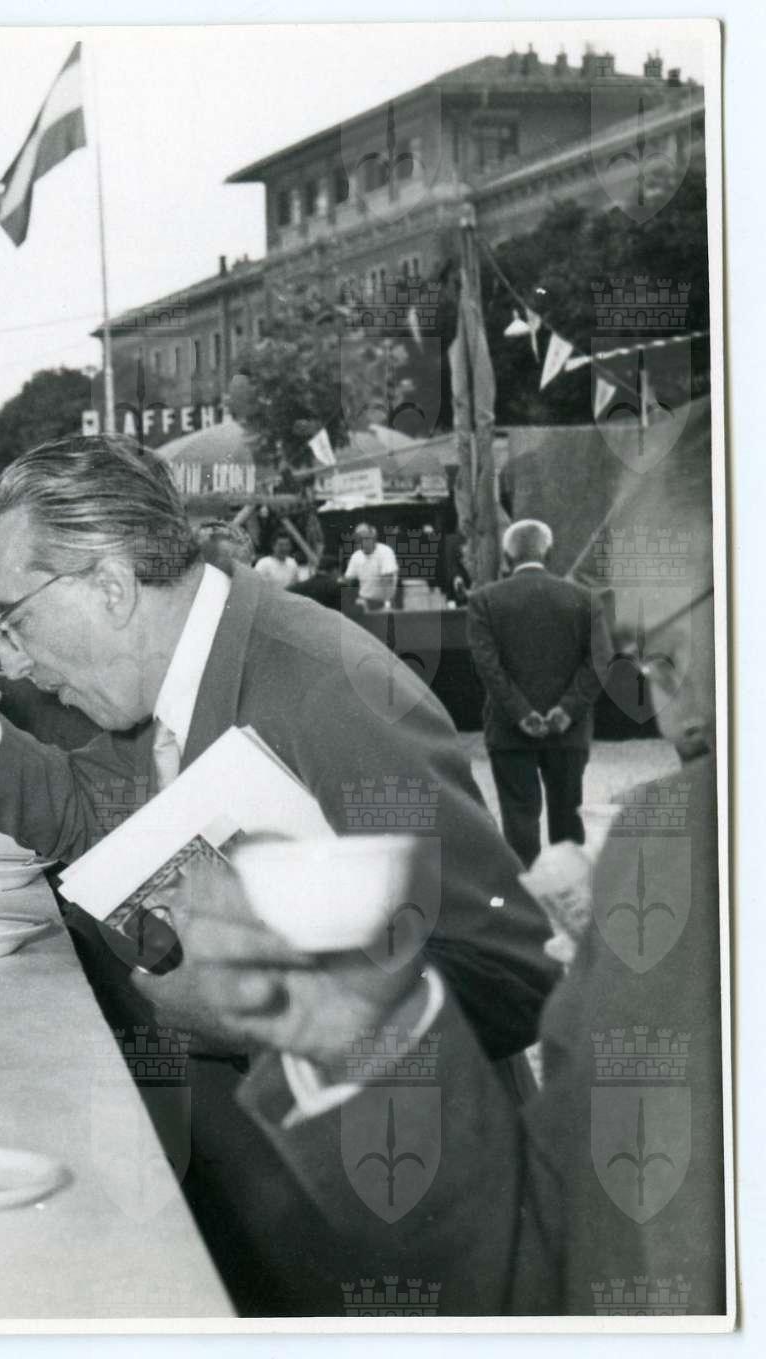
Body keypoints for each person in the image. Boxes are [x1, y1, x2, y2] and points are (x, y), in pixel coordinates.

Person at [0, 435, 554, 1314]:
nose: (11, 662)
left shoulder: (328, 686)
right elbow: (92, 811)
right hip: (268, 1172)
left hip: (387, 1216)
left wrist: (266, 1002)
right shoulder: (170, 675)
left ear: (110, 585)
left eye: (12, 620)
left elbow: (509, 970)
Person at [171, 438, 721, 1315]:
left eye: (669, 656)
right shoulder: (665, 859)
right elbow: (548, 1253)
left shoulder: (675, 844)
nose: (671, 715)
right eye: (646, 664)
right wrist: (371, 1037)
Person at [466, 518, 614, 866]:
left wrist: (521, 712)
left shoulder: (484, 600)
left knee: (519, 824)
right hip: (569, 732)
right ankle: (569, 891)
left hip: (509, 730)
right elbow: (601, 661)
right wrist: (566, 709)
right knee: (568, 824)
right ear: (549, 553)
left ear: (507, 556)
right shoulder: (585, 599)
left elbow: (487, 666)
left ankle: (528, 894)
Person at [342, 521, 399, 610]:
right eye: (359, 539)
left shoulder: (385, 552)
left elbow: (388, 580)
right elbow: (348, 580)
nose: (363, 541)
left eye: (366, 538)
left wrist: (387, 604)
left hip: (384, 602)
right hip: (364, 602)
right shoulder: (356, 556)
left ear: (373, 537)